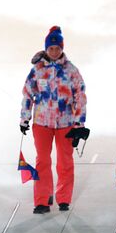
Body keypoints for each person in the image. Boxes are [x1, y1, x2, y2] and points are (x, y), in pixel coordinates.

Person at [20, 26, 88, 214]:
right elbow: (27, 94)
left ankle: (64, 198)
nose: (54, 51)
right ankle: (42, 200)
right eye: (51, 48)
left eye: (57, 48)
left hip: (65, 123)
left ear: (62, 48)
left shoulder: (71, 70)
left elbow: (80, 96)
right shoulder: (37, 70)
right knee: (42, 160)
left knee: (65, 162)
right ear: (46, 49)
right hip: (42, 123)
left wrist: (79, 124)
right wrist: (24, 118)